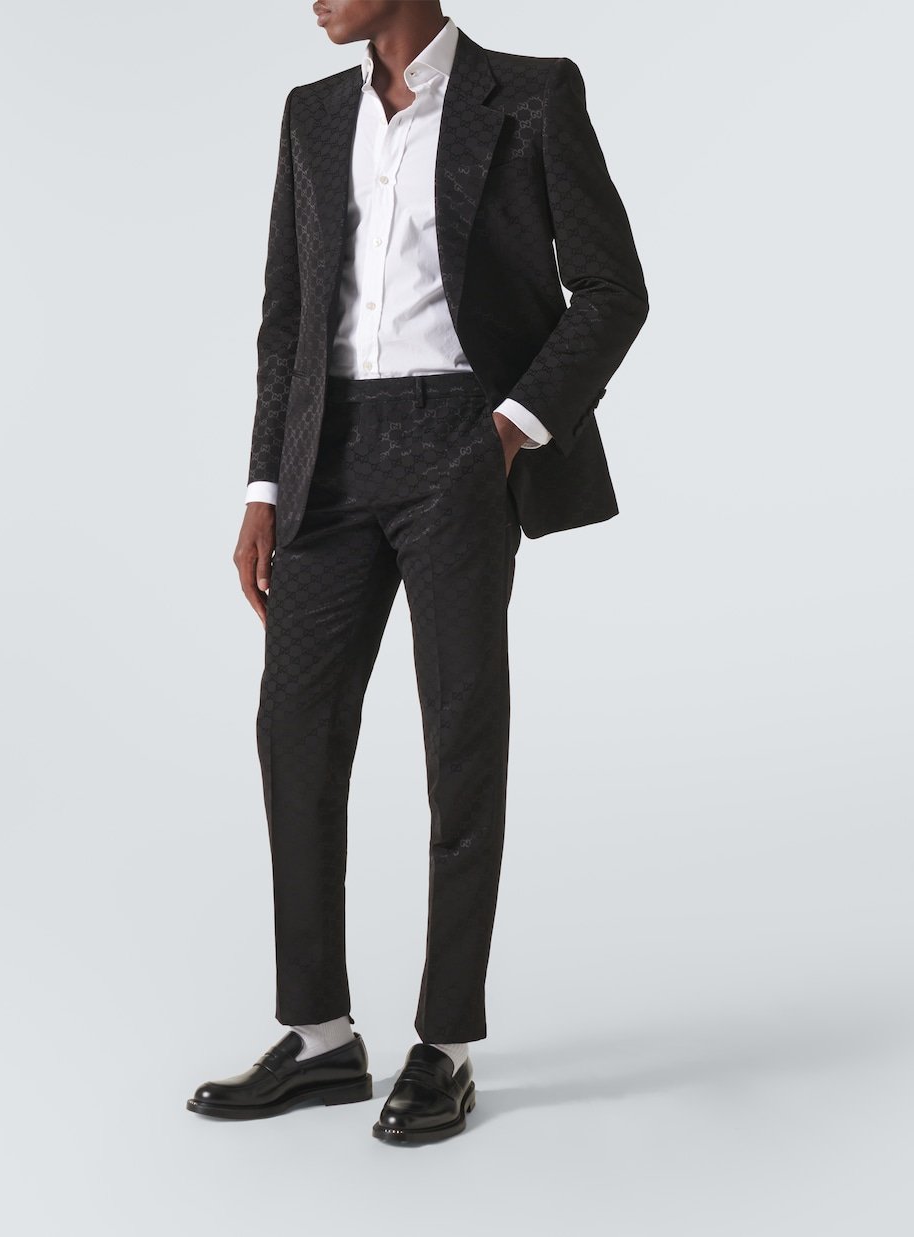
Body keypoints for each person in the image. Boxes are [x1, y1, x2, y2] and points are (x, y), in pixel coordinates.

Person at [188, 0, 648, 1143]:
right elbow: (286, 320)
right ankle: (320, 1036)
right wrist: (262, 486)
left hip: (459, 440)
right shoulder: (309, 117)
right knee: (293, 729)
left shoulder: (530, 95)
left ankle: (444, 1043)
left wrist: (507, 430)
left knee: (459, 735)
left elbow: (611, 290)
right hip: (326, 455)